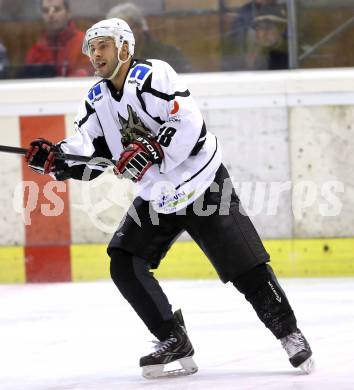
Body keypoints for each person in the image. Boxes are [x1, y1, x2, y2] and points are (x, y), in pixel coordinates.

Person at [24, 18, 314, 379]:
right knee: (124, 262)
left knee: (247, 268)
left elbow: (187, 121)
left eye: (104, 45)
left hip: (202, 184)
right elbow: (90, 154)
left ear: (125, 48)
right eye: (92, 48)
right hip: (158, 196)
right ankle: (173, 339)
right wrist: (57, 160)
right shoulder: (96, 99)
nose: (95, 54)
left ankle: (289, 333)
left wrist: (152, 148)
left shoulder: (154, 75)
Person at [106, 2, 191, 73]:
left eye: (128, 28)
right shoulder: (109, 56)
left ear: (140, 27)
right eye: (117, 30)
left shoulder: (167, 53)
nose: (123, 34)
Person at [24, 0, 92, 77]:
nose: (51, 14)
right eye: (46, 11)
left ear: (68, 13)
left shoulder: (84, 43)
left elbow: (86, 79)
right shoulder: (36, 50)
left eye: (57, 9)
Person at [222, 0, 285, 70]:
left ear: (281, 29)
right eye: (258, 28)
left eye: (268, 27)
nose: (262, 34)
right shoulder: (252, 57)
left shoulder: (286, 55)